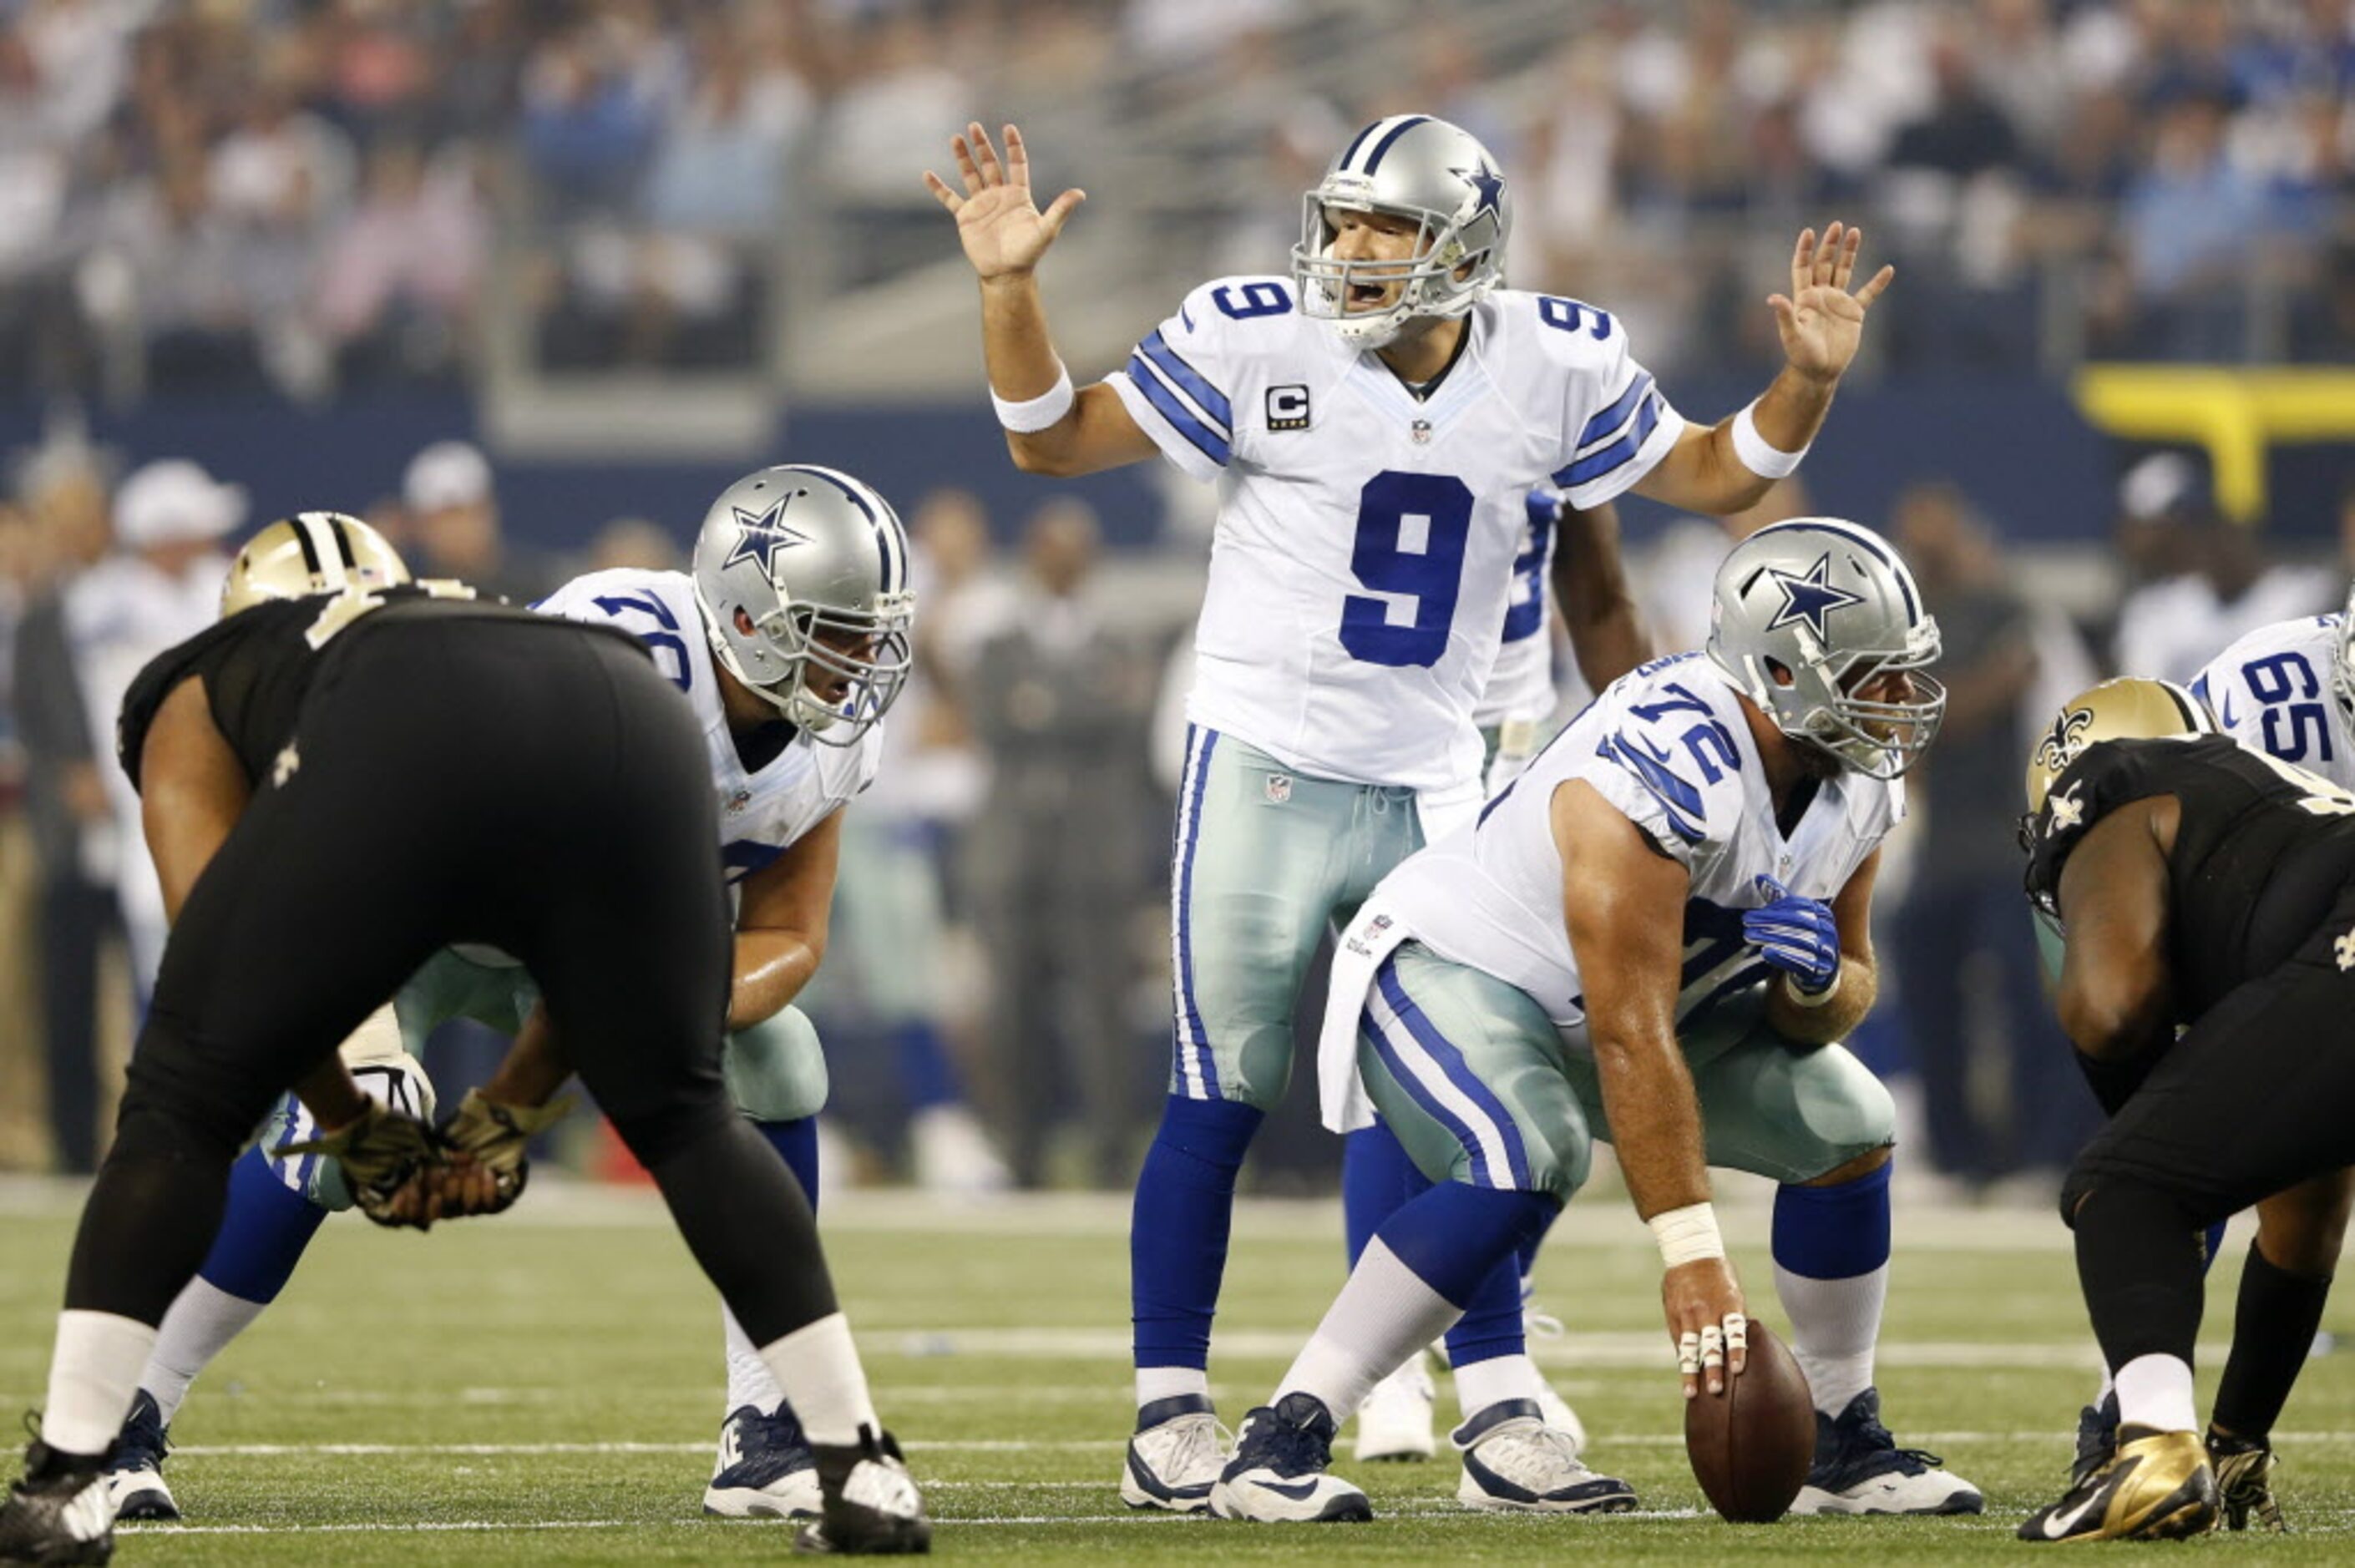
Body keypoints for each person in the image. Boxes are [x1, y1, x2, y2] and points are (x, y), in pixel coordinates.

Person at [924, 114, 1897, 1510]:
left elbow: (1719, 471)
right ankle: (1168, 1417)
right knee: (1221, 1087)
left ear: (1469, 246)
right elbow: (1050, 438)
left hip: (1450, 770)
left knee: (1462, 1102)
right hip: (1267, 755)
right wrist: (1008, 290)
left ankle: (1498, 1409)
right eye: (1344, 221)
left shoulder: (1556, 361)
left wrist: (1804, 382)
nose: (1352, 251)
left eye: (1388, 228)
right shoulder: (1260, 334)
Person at [0, 508, 927, 1564]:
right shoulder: (499, 624)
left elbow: (235, 981)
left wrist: (359, 1114)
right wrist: (501, 1114)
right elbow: (581, 922)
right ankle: (858, 1463)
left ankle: (81, 1463)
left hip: (442, 841)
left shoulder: (199, 696)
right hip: (581, 759)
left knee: (187, 1101)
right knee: (687, 1113)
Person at [1210, 520, 1981, 1522]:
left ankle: (1842, 1436)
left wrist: (1811, 990)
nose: (1897, 701)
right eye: (1872, 675)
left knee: (1852, 1126)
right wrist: (1693, 1255)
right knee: (1527, 1152)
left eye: (1903, 672)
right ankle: (1281, 1436)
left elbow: (1844, 990)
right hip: (1462, 974)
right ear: (1782, 672)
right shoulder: (1661, 764)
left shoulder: (1857, 782)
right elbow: (1628, 1033)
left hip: (1643, 1019)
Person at [2013, 675, 2355, 1541]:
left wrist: (2144, 1133)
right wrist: (2241, 1431)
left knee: (2122, 1188)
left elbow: (2112, 1007)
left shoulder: (2113, 782)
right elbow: (2305, 1217)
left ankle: (2153, 1452)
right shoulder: (2280, 819)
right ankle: (2217, 1446)